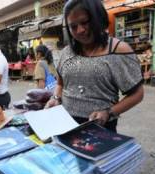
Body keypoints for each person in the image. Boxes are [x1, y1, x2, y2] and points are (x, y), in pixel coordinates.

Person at [46, 0, 144, 132]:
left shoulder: (117, 50)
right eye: (73, 26)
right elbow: (60, 84)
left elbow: (137, 94)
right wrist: (55, 98)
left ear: (99, 18)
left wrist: (109, 112)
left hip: (100, 127)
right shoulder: (66, 52)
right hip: (65, 124)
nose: (80, 30)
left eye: (85, 22)